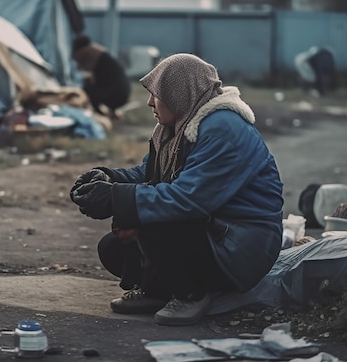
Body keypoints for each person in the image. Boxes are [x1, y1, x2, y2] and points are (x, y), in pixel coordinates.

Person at [69, 53, 284, 326]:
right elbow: (150, 174)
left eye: (157, 94)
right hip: (212, 232)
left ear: (180, 94)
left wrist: (115, 198)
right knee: (113, 248)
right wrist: (108, 178)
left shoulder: (222, 129)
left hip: (241, 246)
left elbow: (187, 199)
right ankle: (159, 291)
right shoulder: (177, 127)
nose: (149, 102)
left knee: (156, 222)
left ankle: (191, 294)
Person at [71, 34, 130, 119]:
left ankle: (98, 113)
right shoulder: (101, 54)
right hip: (123, 94)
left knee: (87, 90)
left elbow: (85, 71)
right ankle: (109, 111)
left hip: (117, 95)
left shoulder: (89, 53)